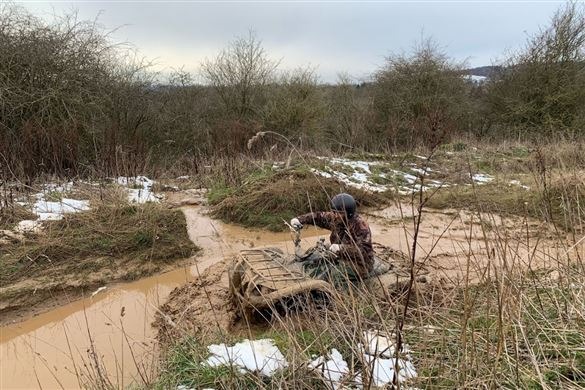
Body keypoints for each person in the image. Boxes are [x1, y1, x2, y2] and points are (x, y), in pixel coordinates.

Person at [290, 193, 374, 287]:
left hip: (359, 263)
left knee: (336, 276)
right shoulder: (336, 218)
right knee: (316, 260)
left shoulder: (360, 226)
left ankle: (343, 298)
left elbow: (363, 251)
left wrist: (341, 248)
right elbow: (318, 217)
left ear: (349, 213)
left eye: (340, 213)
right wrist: (299, 220)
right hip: (339, 255)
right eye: (334, 212)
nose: (335, 215)